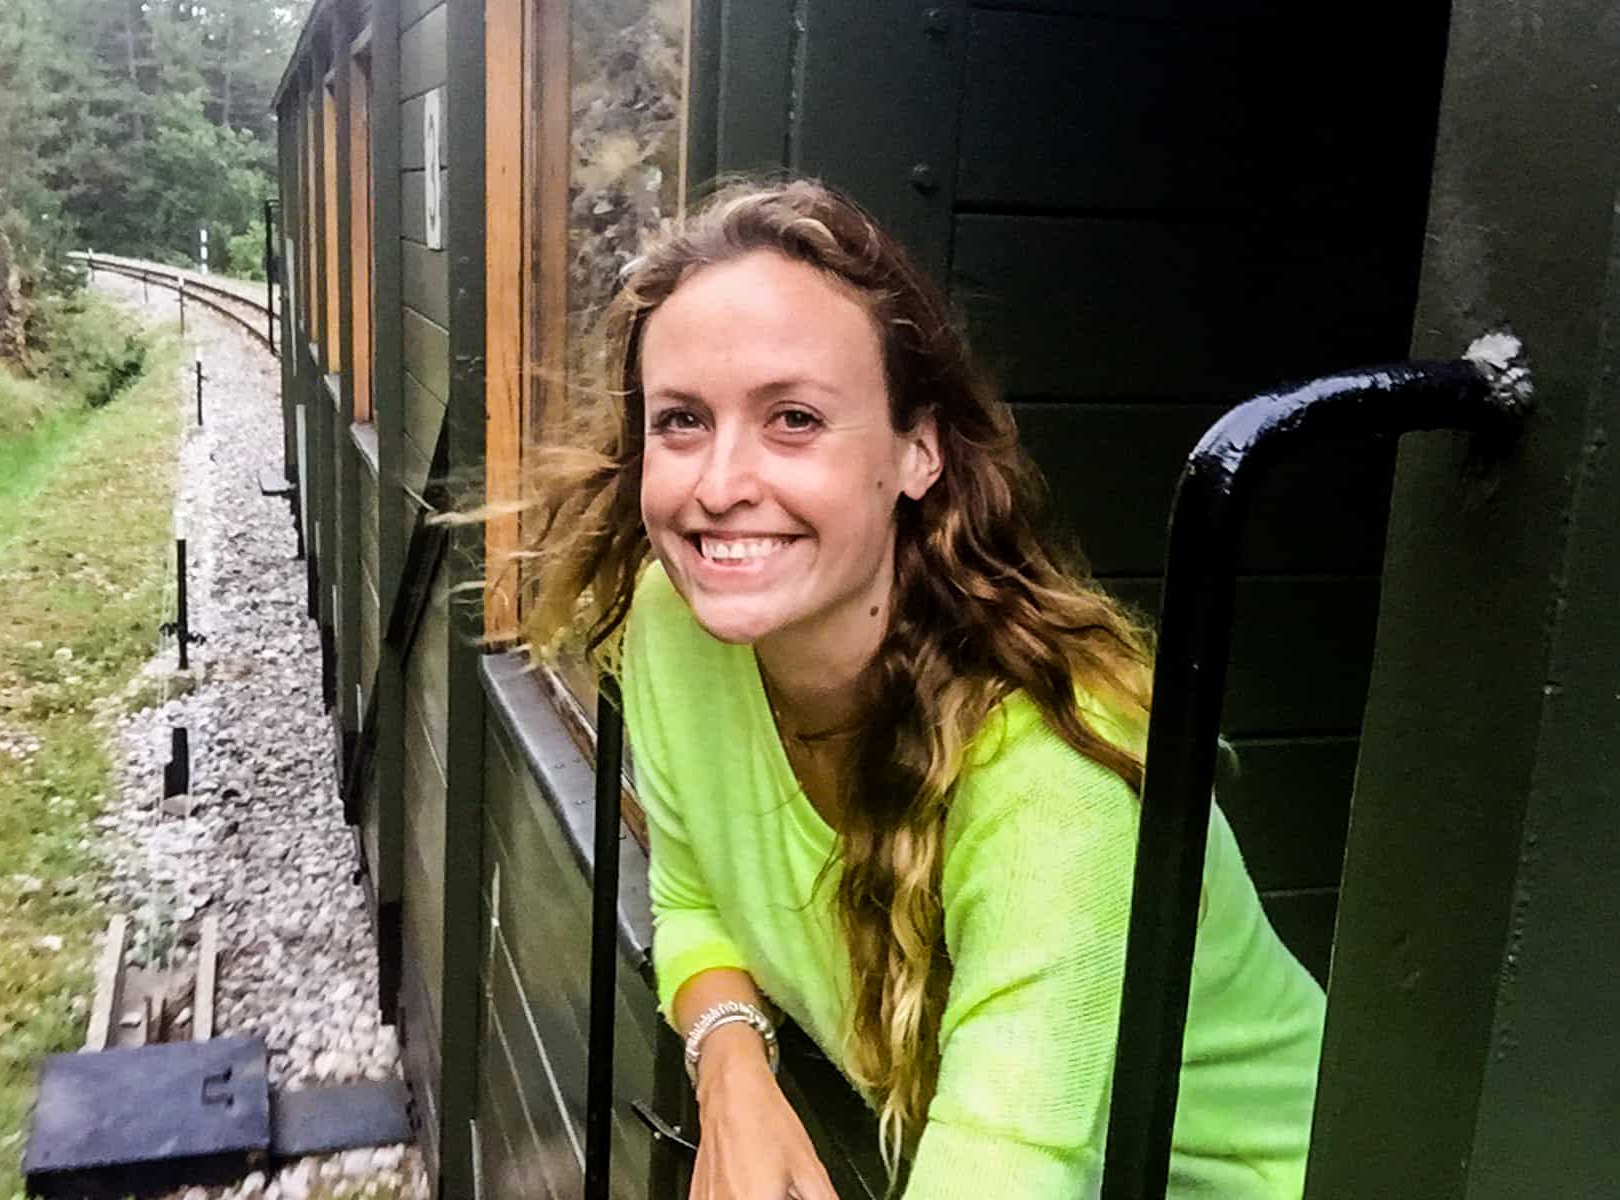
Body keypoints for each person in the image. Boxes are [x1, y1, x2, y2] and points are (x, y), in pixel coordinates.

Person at [510, 178, 1326, 1198]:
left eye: (794, 418)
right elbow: (691, 894)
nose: (718, 486)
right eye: (681, 420)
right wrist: (730, 1062)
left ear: (918, 451)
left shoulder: (1055, 778)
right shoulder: (673, 626)